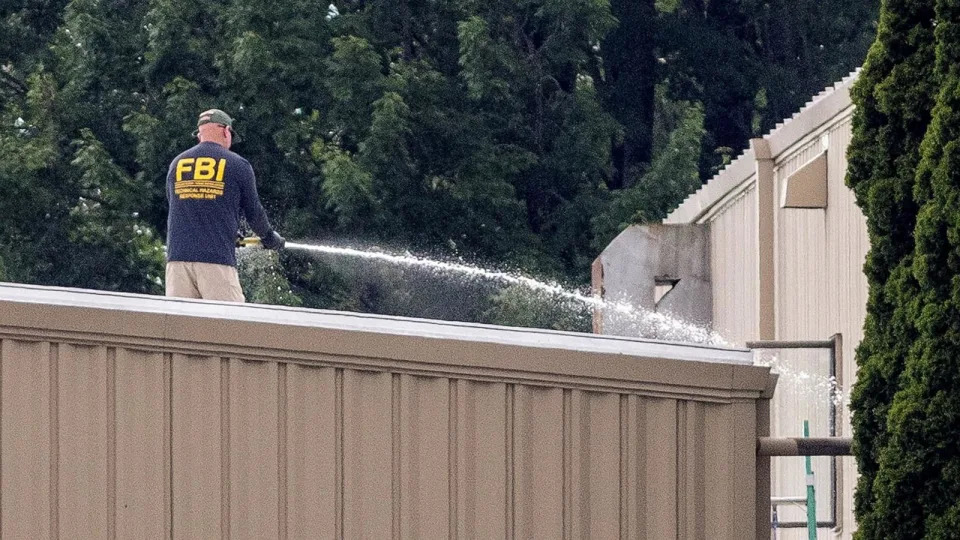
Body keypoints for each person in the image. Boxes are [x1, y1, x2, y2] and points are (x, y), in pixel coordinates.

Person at [165, 108, 285, 302]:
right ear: (226, 131)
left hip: (177, 262)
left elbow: (185, 208)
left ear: (200, 134)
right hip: (216, 262)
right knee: (231, 327)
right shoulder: (237, 164)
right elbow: (254, 213)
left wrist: (229, 231)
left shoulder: (177, 164)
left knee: (180, 328)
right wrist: (269, 237)